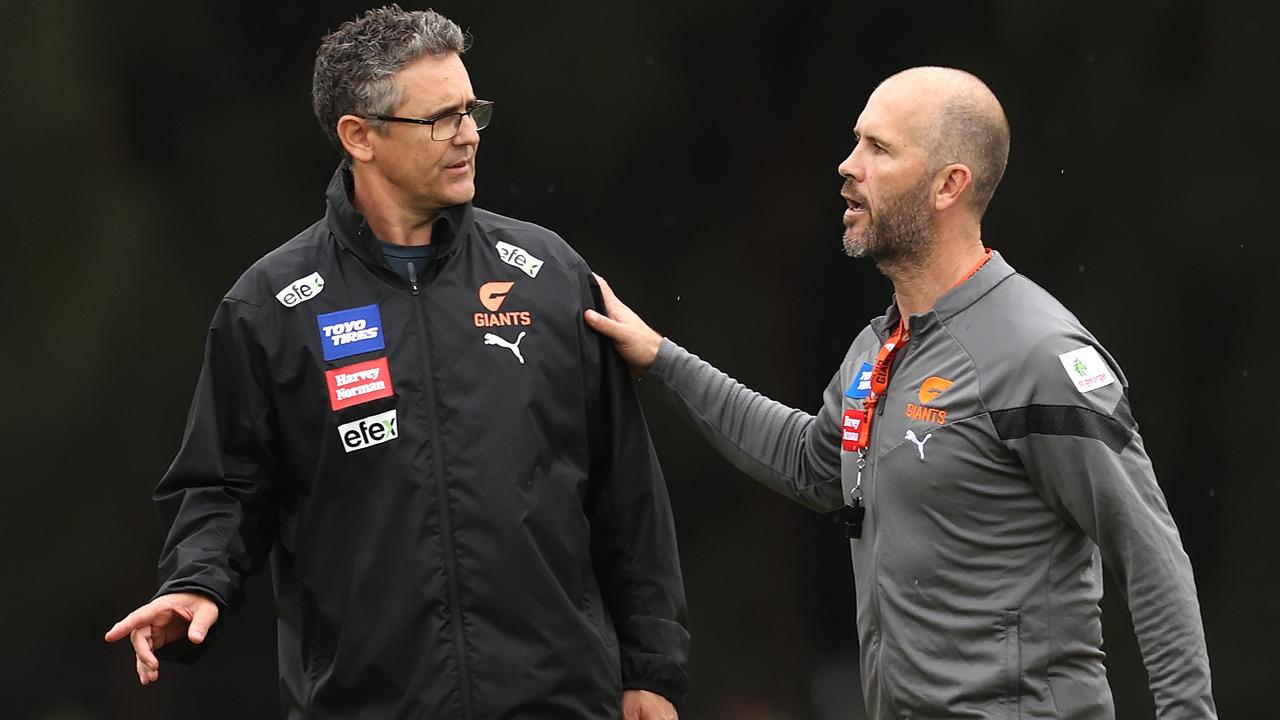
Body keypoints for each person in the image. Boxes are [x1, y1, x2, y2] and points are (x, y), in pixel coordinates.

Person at [104, 7, 687, 719]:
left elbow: (627, 493)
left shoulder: (548, 275)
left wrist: (652, 670)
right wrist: (195, 580)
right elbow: (225, 487)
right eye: (441, 118)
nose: (469, 134)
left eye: (472, 110)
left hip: (559, 703)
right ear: (360, 136)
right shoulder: (270, 306)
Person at [585, 67, 1215, 718]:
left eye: (879, 149)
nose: (847, 165)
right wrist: (662, 360)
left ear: (949, 185)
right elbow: (812, 461)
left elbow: (1152, 556)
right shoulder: (879, 346)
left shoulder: (1040, 353)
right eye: (857, 142)